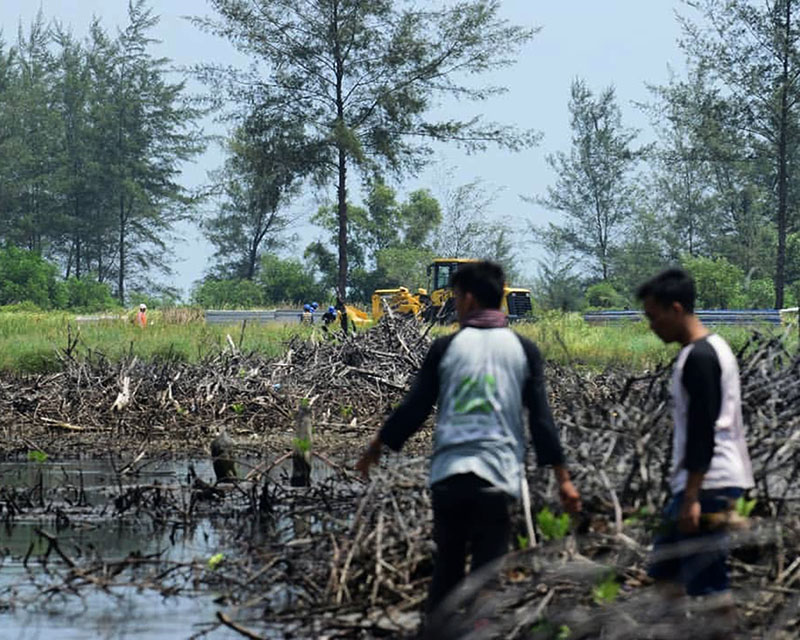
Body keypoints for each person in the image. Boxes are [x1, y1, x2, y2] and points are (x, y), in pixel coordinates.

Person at [356, 260, 581, 615]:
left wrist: (375, 448)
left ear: (470, 299)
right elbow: (541, 420)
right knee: (486, 581)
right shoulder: (524, 350)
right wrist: (564, 481)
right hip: (498, 478)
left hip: (450, 478)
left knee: (446, 574)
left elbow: (414, 409)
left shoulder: (445, 348)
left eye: (458, 298)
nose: (456, 306)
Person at [637, 268, 754, 635]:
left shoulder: (700, 357)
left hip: (707, 484)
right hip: (706, 481)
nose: (652, 327)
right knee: (665, 575)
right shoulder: (708, 350)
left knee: (708, 586)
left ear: (676, 309)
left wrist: (691, 496)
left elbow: (704, 430)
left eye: (654, 317)